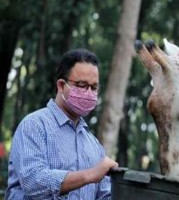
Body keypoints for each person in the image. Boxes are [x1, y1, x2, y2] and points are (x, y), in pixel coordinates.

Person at [5, 49, 118, 199]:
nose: (89, 92)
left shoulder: (94, 145)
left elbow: (105, 195)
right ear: (61, 85)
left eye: (94, 87)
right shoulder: (34, 126)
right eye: (82, 85)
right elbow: (33, 182)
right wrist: (89, 175)